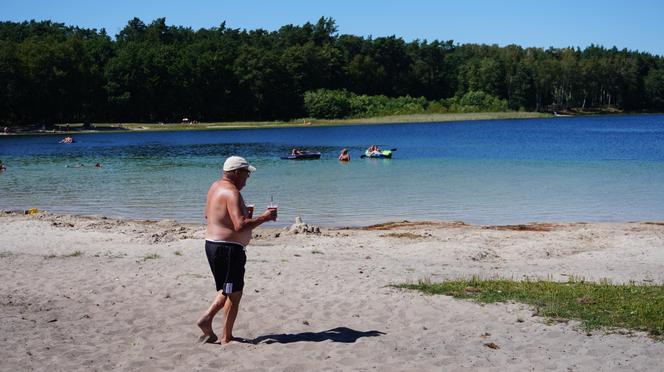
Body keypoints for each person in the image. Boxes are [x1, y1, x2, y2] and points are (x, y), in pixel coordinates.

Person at [197, 156, 277, 344]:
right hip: (228, 250)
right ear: (236, 172)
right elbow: (240, 226)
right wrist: (265, 217)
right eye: (246, 174)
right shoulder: (232, 193)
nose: (247, 178)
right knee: (234, 292)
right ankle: (226, 337)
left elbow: (208, 214)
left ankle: (207, 319)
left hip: (212, 245)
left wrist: (238, 215)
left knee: (228, 288)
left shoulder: (215, 187)